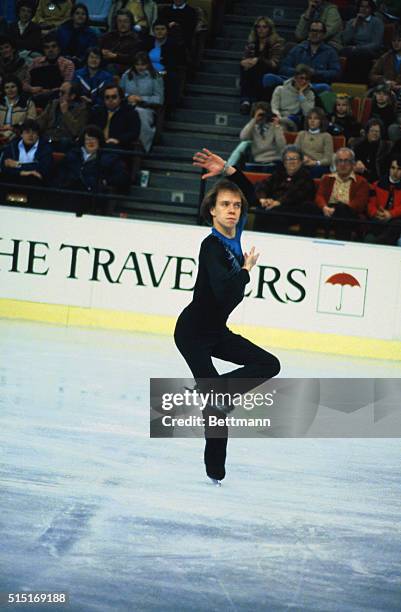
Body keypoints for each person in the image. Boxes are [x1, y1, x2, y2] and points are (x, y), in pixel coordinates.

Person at [174, 147, 280, 484]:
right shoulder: (212, 245)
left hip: (217, 330)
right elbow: (226, 290)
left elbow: (249, 193)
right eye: (225, 205)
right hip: (192, 332)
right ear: (212, 211)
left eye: (235, 206)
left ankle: (220, 389)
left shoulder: (238, 231)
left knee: (269, 364)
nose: (232, 210)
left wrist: (229, 170)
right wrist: (247, 270)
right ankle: (215, 470)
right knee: (215, 406)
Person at [55, 124, 130, 215]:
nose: (90, 142)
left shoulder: (109, 157)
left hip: (92, 194)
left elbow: (122, 176)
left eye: (94, 139)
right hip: (69, 189)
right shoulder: (73, 154)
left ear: (99, 141)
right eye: (87, 139)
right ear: (83, 141)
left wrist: (106, 181)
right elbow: (61, 171)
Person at [253, 144, 318, 235]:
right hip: (274, 206)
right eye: (288, 159)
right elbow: (263, 185)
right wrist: (263, 199)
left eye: (294, 158)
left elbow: (297, 194)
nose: (291, 162)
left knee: (275, 215)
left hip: (294, 209)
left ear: (300, 161)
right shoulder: (279, 174)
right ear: (284, 162)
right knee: (261, 210)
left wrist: (279, 202)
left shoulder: (305, 176)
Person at [264, 20, 340, 96]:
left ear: (323, 34)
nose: (315, 33)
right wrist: (299, 73)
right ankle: (267, 107)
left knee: (325, 88)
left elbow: (335, 73)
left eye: (318, 31)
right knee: (269, 78)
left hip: (313, 84)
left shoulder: (330, 52)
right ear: (308, 32)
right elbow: (283, 68)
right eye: (312, 30)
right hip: (293, 82)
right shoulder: (298, 48)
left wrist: (316, 73)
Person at [315, 146, 369, 240]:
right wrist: (324, 207)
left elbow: (359, 204)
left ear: (353, 164)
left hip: (348, 213)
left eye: (346, 161)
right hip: (328, 211)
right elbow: (320, 195)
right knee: (307, 207)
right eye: (340, 161)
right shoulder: (327, 178)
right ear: (336, 163)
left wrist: (339, 210)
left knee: (342, 210)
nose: (343, 164)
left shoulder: (361, 182)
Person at [0, 119, 52, 205]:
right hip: (13, 180)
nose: (31, 135)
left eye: (34, 133)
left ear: (38, 135)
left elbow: (43, 169)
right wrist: (23, 172)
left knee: (33, 179)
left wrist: (17, 165)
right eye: (27, 132)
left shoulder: (45, 148)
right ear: (21, 134)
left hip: (34, 185)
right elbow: (4, 167)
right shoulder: (12, 146)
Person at [239, 16, 284, 115]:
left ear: (270, 29)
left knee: (255, 67)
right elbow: (246, 57)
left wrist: (259, 60)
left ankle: (247, 100)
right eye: (258, 27)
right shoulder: (252, 43)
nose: (261, 30)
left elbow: (275, 64)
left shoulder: (276, 44)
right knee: (245, 67)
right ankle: (246, 101)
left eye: (264, 27)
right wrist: (243, 62)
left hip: (269, 72)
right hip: (252, 71)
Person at [120, 51, 164, 153]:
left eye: (143, 64)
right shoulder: (126, 75)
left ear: (148, 64)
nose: (140, 67)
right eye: (137, 64)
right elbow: (120, 94)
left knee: (139, 113)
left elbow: (159, 99)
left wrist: (141, 98)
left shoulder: (156, 76)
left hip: (146, 108)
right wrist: (128, 97)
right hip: (128, 106)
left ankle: (142, 147)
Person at [144, 18, 186, 114]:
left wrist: (159, 72)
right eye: (157, 29)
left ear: (167, 31)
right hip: (146, 70)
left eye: (162, 29)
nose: (159, 32)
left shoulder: (173, 44)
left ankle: (165, 108)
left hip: (164, 72)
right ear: (153, 31)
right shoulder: (148, 42)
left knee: (171, 77)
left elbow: (172, 65)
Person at [36, 81, 88, 152]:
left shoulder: (81, 109)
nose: (59, 95)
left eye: (63, 93)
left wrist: (66, 113)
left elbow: (76, 131)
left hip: (64, 141)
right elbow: (40, 122)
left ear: (72, 96)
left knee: (64, 142)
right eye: (59, 92)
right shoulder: (53, 104)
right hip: (48, 138)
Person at [25, 34, 75, 107]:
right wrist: (31, 89)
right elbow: (25, 82)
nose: (50, 50)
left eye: (54, 46)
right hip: (35, 95)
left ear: (59, 48)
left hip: (56, 97)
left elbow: (66, 85)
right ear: (43, 50)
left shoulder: (67, 64)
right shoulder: (35, 62)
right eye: (47, 47)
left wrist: (47, 92)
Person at [236, 101, 286, 172]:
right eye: (260, 115)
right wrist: (254, 120)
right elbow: (243, 137)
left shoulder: (275, 127)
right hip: (257, 162)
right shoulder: (252, 127)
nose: (262, 117)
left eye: (263, 114)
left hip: (274, 161)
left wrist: (277, 126)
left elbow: (282, 145)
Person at [341, 0, 384, 83]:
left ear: (371, 9)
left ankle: (359, 83)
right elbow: (345, 40)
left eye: (366, 7)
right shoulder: (352, 21)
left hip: (370, 50)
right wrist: (354, 25)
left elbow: (377, 43)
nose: (363, 9)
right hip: (352, 49)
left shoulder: (377, 22)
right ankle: (348, 84)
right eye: (361, 7)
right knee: (348, 52)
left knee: (359, 54)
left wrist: (358, 48)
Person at [89, 83, 141, 148]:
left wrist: (118, 140)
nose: (110, 100)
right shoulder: (97, 111)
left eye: (114, 97)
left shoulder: (130, 113)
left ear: (120, 98)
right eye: (107, 97)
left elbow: (133, 133)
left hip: (119, 146)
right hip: (97, 144)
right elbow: (90, 128)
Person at [365, 155, 401, 245]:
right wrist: (376, 213)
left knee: (397, 224)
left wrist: (390, 214)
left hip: (395, 220)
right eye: (393, 168)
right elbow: (370, 203)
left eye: (399, 169)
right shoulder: (377, 184)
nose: (395, 172)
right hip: (378, 218)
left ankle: (378, 244)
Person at [271, 64, 315, 131]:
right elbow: (274, 108)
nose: (304, 81)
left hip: (294, 121)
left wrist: (301, 94)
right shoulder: (280, 89)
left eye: (307, 79)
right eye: (301, 78)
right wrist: (278, 118)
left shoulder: (310, 94)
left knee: (282, 127)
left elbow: (307, 113)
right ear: (295, 78)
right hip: (279, 118)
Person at [100, 8, 142, 75]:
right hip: (104, 64)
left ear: (131, 23)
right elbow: (96, 49)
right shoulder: (107, 36)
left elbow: (133, 58)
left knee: (111, 67)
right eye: (119, 21)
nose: (122, 24)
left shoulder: (136, 40)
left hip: (124, 69)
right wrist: (101, 52)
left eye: (125, 21)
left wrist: (115, 56)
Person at [295, 106, 334, 177]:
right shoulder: (302, 134)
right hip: (303, 163)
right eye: (310, 118)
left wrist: (316, 163)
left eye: (316, 118)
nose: (312, 121)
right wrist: (303, 158)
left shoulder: (326, 136)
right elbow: (295, 152)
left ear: (321, 121)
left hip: (319, 165)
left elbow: (328, 159)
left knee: (314, 171)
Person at [352, 118, 392, 183]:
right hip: (359, 176)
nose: (374, 133)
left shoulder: (386, 147)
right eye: (372, 131)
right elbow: (352, 160)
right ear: (367, 132)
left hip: (377, 178)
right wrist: (356, 162)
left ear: (381, 133)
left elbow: (385, 168)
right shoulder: (357, 145)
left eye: (377, 131)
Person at [0, 76, 36, 146]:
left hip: (18, 133)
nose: (10, 90)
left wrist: (13, 128)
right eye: (7, 88)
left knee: (7, 137)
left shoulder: (27, 102)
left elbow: (31, 122)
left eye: (13, 87)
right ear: (3, 90)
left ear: (18, 87)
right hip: (1, 131)